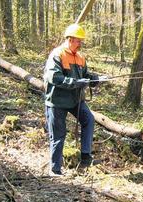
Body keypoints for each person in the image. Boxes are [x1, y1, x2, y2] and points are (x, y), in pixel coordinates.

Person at [44, 23, 102, 176]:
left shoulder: (80, 57)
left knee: (88, 119)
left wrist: (95, 79)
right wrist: (74, 82)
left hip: (76, 100)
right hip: (57, 101)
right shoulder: (57, 55)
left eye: (81, 41)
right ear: (69, 39)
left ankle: (85, 157)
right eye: (78, 41)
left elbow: (85, 75)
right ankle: (55, 169)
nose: (80, 44)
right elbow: (54, 77)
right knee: (58, 134)